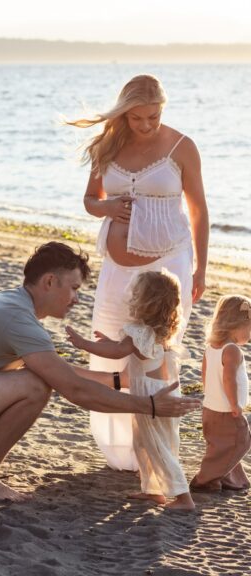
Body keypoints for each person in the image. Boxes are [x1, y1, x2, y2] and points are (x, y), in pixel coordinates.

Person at [0, 242, 201, 503]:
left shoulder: (12, 304)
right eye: (74, 288)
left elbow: (62, 371)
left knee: (33, 375)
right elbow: (72, 389)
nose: (76, 299)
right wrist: (148, 405)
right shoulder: (18, 320)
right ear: (50, 281)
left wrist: (118, 381)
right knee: (35, 385)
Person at [66, 74, 210, 471]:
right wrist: (106, 208)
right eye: (138, 118)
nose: (147, 124)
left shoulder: (182, 147)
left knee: (156, 355)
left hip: (169, 266)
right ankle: (122, 449)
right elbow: (89, 200)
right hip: (116, 272)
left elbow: (198, 210)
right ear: (124, 113)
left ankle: (158, 448)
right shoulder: (106, 147)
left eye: (154, 116)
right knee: (111, 350)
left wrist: (201, 268)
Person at [66, 270, 195, 511]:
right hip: (158, 393)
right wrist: (107, 342)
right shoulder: (157, 330)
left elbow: (117, 352)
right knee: (145, 444)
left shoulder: (139, 331)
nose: (132, 297)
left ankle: (184, 498)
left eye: (136, 294)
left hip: (152, 397)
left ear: (146, 301)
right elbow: (123, 348)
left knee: (157, 446)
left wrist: (84, 344)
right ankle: (154, 490)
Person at [189, 295, 251, 492]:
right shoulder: (232, 350)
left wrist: (211, 396)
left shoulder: (211, 348)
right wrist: (234, 405)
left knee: (219, 445)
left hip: (211, 409)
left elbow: (205, 374)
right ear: (236, 325)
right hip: (227, 411)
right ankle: (204, 479)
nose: (250, 334)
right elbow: (229, 379)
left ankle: (229, 478)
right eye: (249, 328)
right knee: (240, 441)